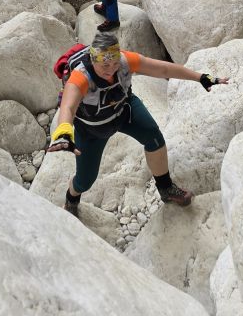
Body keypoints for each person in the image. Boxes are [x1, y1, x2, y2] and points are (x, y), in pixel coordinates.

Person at [48, 32, 229, 215]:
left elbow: (164, 70)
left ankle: (166, 189)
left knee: (154, 137)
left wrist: (200, 77)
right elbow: (68, 107)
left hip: (124, 110)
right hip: (92, 130)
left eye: (114, 63)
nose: (111, 70)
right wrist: (64, 132)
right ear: (92, 60)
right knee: (85, 180)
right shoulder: (81, 77)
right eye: (105, 65)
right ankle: (71, 199)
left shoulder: (126, 61)